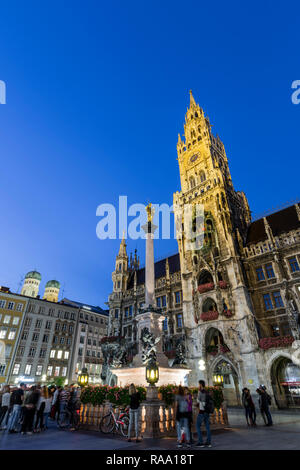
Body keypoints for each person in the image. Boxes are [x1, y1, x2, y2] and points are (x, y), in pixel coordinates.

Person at [196, 380, 212, 448]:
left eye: (198, 384)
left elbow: (198, 400)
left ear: (200, 385)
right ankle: (208, 442)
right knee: (207, 427)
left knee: (197, 425)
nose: (198, 385)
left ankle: (200, 442)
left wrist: (198, 393)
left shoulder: (200, 392)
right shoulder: (207, 392)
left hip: (202, 411)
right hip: (207, 411)